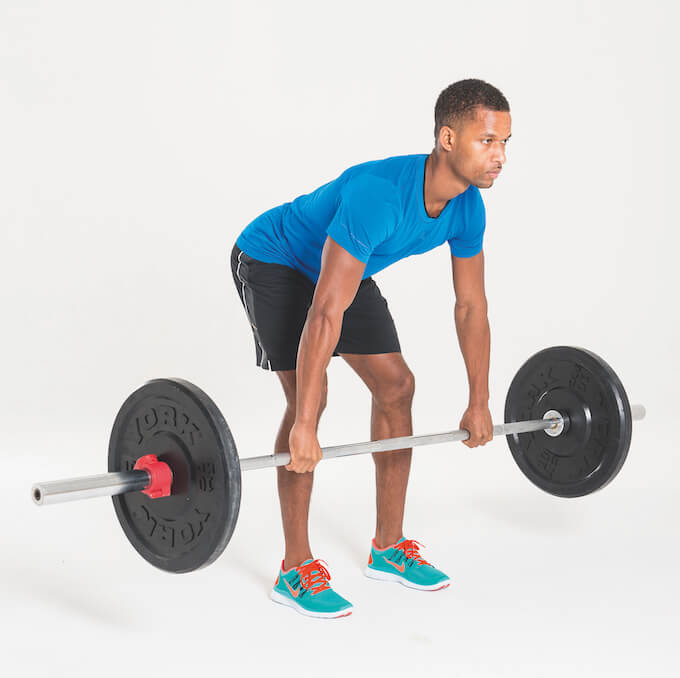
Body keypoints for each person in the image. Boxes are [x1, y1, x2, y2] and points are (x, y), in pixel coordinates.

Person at [230, 78, 511, 618]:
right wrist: (306, 427)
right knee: (306, 402)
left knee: (397, 386)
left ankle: (388, 546)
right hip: (275, 260)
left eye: (506, 143)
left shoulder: (468, 207)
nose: (499, 156)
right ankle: (294, 568)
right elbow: (325, 311)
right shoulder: (379, 195)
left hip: (343, 268)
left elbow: (470, 307)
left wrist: (479, 399)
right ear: (448, 139)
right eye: (487, 141)